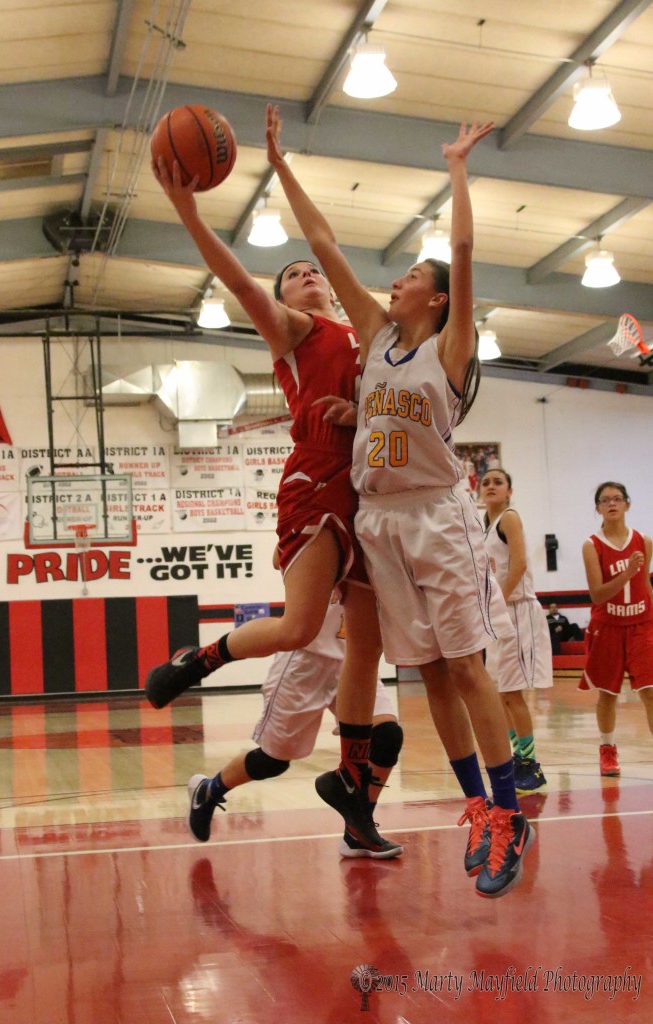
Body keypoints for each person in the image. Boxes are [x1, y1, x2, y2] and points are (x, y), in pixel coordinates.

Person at [266, 104, 535, 898]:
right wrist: (279, 166)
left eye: (415, 276)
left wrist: (456, 167)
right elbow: (322, 246)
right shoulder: (377, 331)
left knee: (466, 667)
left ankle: (508, 811)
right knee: (428, 678)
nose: (401, 277)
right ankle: (477, 810)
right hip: (379, 520)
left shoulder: (448, 347)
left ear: (439, 300)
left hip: (433, 512)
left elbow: (459, 247)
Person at [145, 145, 399, 857]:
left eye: (311, 269)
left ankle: (353, 798)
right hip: (317, 479)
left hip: (370, 490)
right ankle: (196, 662)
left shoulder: (368, 329)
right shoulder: (296, 330)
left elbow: (333, 247)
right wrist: (188, 213)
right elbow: (235, 279)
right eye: (291, 275)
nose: (307, 275)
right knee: (299, 626)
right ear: (283, 300)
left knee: (368, 648)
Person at [187, 592, 404, 859]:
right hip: (305, 660)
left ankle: (358, 829)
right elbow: (280, 559)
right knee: (273, 761)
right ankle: (209, 790)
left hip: (354, 657)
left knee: (386, 737)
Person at [479, 467, 552, 794]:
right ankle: (516, 758)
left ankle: (530, 763)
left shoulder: (509, 518)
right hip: (500, 614)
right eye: (486, 482)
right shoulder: (484, 526)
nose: (491, 486)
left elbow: (519, 563)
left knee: (513, 693)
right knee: (498, 694)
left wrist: (498, 604)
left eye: (498, 482)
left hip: (518, 610)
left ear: (509, 491)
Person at [579, 481, 653, 777]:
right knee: (608, 693)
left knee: (650, 691)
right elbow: (597, 594)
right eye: (605, 500)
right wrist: (626, 574)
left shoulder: (644, 541)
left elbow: (645, 584)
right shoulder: (591, 544)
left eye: (617, 499)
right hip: (608, 626)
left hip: (641, 623)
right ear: (597, 507)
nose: (612, 504)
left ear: (627, 505)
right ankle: (608, 750)